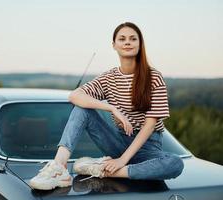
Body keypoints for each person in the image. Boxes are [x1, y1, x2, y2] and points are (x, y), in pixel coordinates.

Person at [29, 22, 184, 190]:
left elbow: (149, 125)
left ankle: (101, 170)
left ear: (140, 44)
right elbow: (75, 96)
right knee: (82, 109)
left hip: (147, 148)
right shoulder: (109, 78)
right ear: (114, 45)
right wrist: (111, 108)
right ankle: (58, 168)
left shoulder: (154, 77)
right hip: (117, 142)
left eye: (133, 39)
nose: (127, 42)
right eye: (122, 39)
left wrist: (122, 161)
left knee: (175, 164)